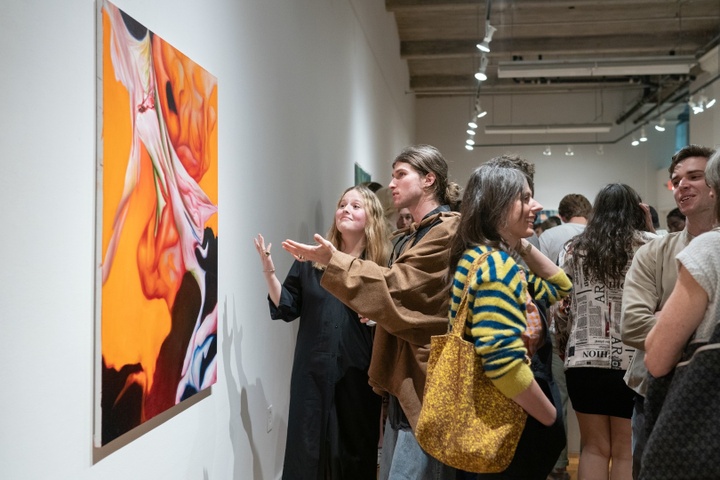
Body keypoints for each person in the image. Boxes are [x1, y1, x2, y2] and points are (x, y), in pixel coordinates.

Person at [282, 145, 462, 479]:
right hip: (400, 385)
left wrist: (331, 261)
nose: (392, 184)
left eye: (400, 175)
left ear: (429, 179)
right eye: (392, 175)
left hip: (422, 384)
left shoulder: (445, 231)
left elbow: (398, 287)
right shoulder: (412, 237)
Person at [253, 185, 391, 480]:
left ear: (371, 218)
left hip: (357, 376)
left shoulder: (379, 269)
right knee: (307, 454)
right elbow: (287, 307)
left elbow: (392, 319)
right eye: (342, 204)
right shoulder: (311, 262)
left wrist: (378, 320)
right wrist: (269, 273)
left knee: (352, 454)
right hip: (311, 376)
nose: (346, 210)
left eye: (356, 205)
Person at [448, 162, 572, 479]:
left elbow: (561, 286)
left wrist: (520, 242)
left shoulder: (478, 258)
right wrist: (550, 418)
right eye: (526, 198)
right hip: (509, 430)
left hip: (490, 424)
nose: (537, 206)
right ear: (500, 206)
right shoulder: (497, 268)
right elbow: (502, 363)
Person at [620, 144, 716, 479]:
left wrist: (669, 319)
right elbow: (631, 325)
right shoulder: (653, 252)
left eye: (695, 177)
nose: (682, 185)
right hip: (655, 395)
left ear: (716, 183)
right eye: (676, 180)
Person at [555, 184, 656, 480]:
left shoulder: (574, 248)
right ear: (637, 209)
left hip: (583, 359)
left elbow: (563, 307)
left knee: (593, 448)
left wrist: (565, 348)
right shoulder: (650, 244)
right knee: (626, 449)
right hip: (633, 360)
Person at [537, 193, 591, 480]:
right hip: (592, 334)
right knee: (594, 412)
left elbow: (545, 286)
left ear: (562, 213)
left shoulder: (550, 236)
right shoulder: (599, 233)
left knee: (557, 401)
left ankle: (558, 466)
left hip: (558, 329)